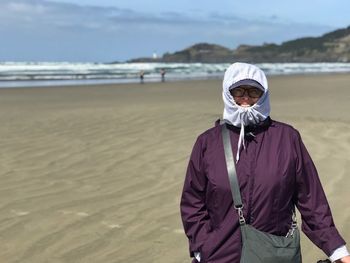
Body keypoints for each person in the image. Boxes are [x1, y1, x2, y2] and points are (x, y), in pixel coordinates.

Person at [180, 62, 350, 263]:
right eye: (238, 91)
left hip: (274, 254)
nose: (245, 98)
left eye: (254, 92)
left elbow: (311, 200)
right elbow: (192, 202)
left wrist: (337, 250)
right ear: (227, 93)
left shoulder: (287, 138)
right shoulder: (207, 142)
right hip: (218, 255)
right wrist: (202, 247)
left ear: (264, 95)